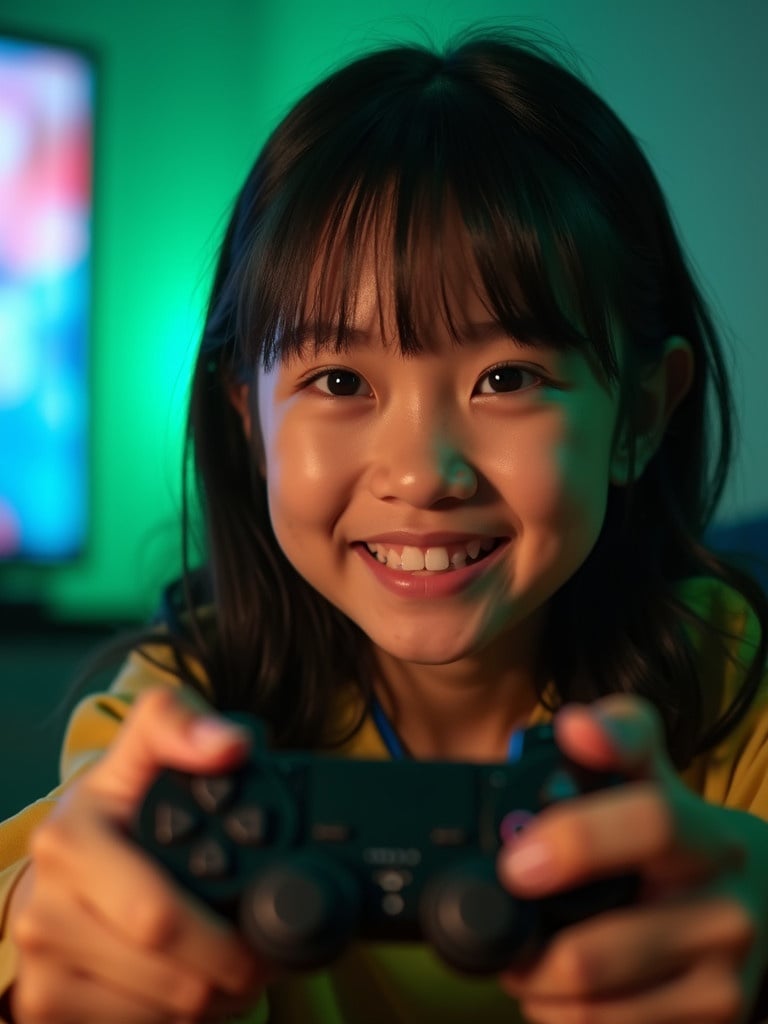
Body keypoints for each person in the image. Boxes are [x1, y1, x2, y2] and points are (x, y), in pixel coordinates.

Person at [1, 25, 767, 1024]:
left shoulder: (734, 685)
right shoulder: (179, 713)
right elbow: (54, 889)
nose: (422, 474)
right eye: (338, 379)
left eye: (508, 378)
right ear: (250, 422)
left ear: (638, 416)